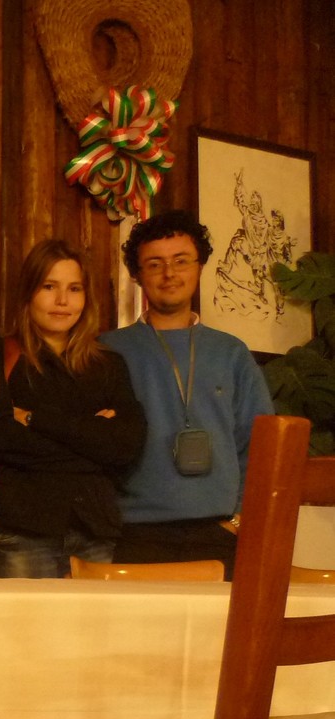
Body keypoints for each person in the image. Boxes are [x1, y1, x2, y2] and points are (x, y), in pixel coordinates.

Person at [100, 209, 274, 579]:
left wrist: (239, 519)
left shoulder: (231, 352)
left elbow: (261, 444)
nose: (169, 273)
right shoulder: (107, 351)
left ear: (200, 266)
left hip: (220, 533)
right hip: (131, 535)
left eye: (181, 261)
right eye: (155, 264)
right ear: (137, 274)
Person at [0, 240, 146, 577]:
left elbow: (125, 446)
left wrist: (34, 419)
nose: (63, 300)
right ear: (29, 293)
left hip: (94, 530)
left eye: (74, 289)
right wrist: (91, 438)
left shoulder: (108, 365)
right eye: (49, 287)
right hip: (22, 530)